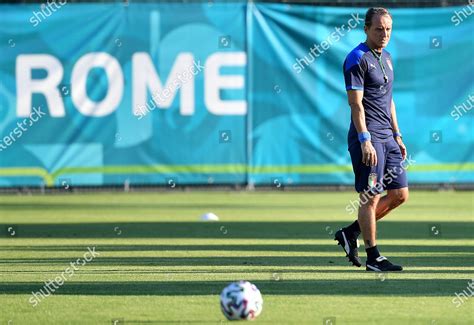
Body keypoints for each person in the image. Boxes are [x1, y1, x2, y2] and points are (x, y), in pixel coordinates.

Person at [335, 7, 409, 272]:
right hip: (368, 137)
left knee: (400, 194)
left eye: (388, 29)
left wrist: (397, 135)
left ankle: (350, 232)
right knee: (371, 196)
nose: (384, 34)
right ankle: (373, 257)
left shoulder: (387, 57)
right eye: (378, 29)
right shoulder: (356, 58)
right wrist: (365, 140)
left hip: (388, 138)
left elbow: (389, 101)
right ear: (366, 29)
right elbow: (356, 105)